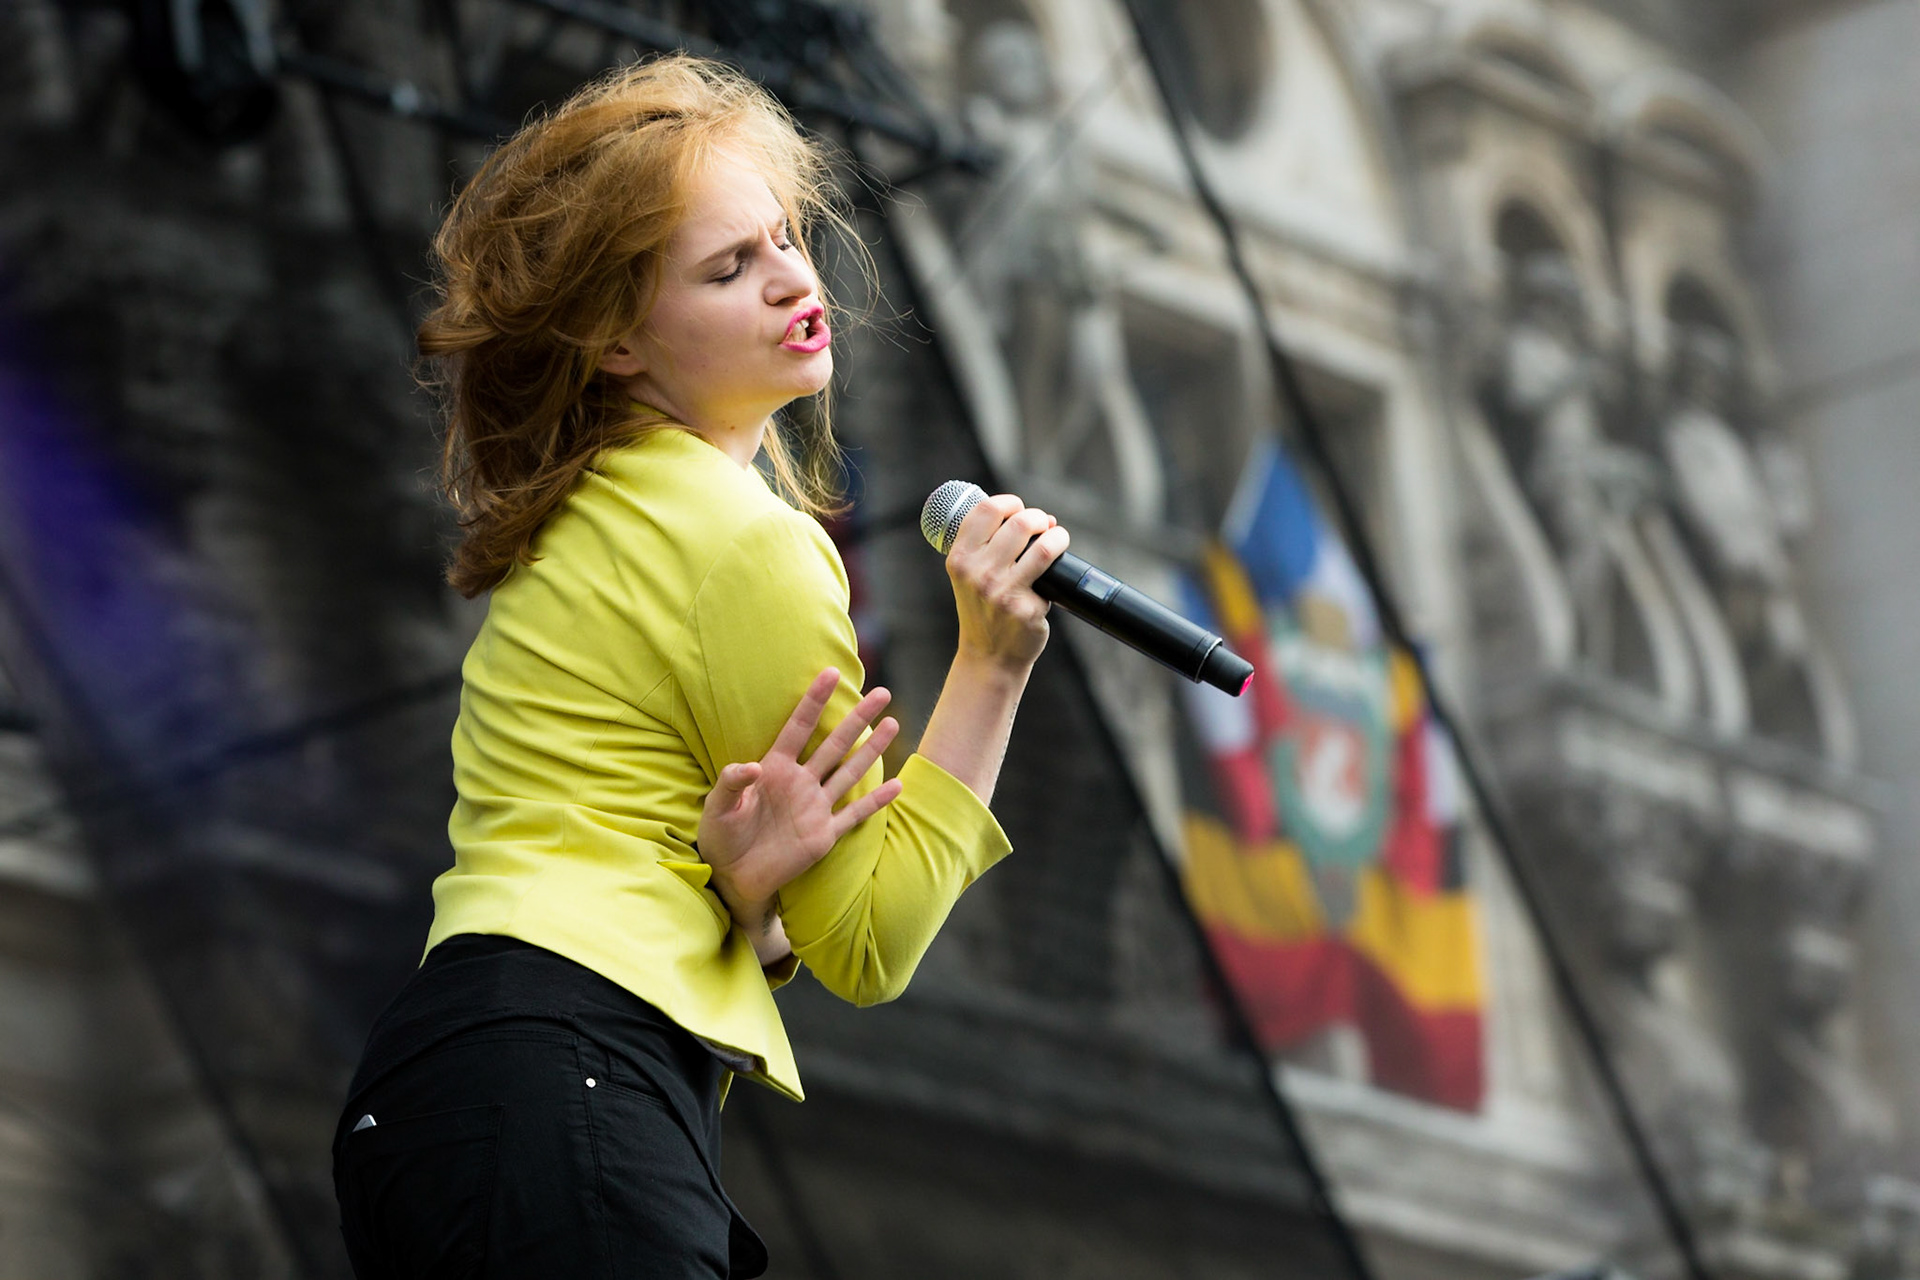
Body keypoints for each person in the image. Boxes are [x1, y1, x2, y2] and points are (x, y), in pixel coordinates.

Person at [329, 54, 1068, 1279]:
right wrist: (992, 661)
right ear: (615, 344)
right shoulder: (741, 542)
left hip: (446, 1090)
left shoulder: (594, 512)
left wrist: (753, 914)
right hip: (563, 1076)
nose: (793, 278)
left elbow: (613, 841)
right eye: (730, 268)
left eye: (785, 236)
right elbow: (874, 942)